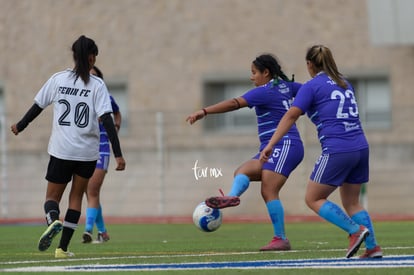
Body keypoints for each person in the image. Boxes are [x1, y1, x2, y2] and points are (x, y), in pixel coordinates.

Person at [260, 45, 382, 259]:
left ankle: (355, 231)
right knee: (352, 202)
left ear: (309, 64)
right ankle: (372, 247)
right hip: (360, 146)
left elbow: (290, 116)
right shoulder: (345, 82)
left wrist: (271, 144)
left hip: (338, 148)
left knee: (313, 198)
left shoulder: (312, 86)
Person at [10, 35, 126, 258]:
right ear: (92, 58)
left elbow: (38, 106)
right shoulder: (98, 85)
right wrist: (118, 154)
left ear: (74, 56)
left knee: (52, 199)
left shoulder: (58, 79)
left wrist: (21, 125)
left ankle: (54, 221)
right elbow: (109, 121)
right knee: (76, 199)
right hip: (87, 153)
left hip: (62, 150)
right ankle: (62, 249)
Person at [186, 53, 304, 251]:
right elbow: (310, 91)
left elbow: (234, 103)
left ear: (266, 73)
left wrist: (204, 111)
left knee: (269, 190)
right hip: (275, 147)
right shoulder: (288, 86)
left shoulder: (264, 91)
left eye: (254, 73)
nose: (252, 77)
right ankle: (231, 196)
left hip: (284, 145)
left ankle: (281, 239)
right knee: (243, 170)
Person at [82, 66, 122, 244]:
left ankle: (88, 230)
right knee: (90, 193)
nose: (90, 78)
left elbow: (117, 112)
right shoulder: (81, 98)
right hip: (84, 150)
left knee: (92, 190)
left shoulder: (106, 98)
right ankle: (103, 233)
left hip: (102, 149)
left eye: (94, 76)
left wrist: (116, 127)